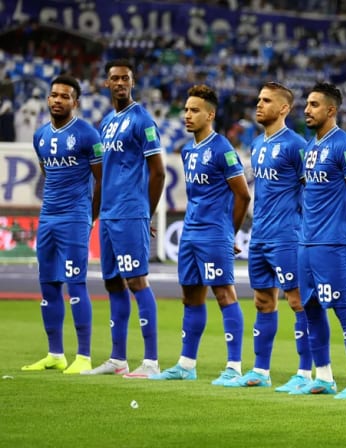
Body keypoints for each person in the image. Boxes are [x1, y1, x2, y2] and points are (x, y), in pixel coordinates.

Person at [149, 84, 251, 383]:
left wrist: (228, 233)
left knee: (224, 294)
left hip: (214, 233)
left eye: (194, 110)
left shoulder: (222, 149)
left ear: (210, 115)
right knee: (191, 296)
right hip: (190, 234)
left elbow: (243, 195)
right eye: (186, 110)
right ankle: (186, 365)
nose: (187, 115)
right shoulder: (188, 150)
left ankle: (234, 367)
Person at [227, 81, 313, 391]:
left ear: (284, 108)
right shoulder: (258, 144)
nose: (259, 105)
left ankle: (305, 373)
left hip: (287, 235)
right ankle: (260, 371)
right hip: (260, 234)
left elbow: (311, 189)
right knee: (263, 301)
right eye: (259, 99)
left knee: (298, 301)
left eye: (266, 100)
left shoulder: (297, 145)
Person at [82, 59, 166, 378]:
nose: (119, 83)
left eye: (125, 78)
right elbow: (102, 176)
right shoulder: (106, 122)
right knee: (113, 283)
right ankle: (118, 359)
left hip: (131, 212)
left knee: (137, 281)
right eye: (114, 78)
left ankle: (151, 361)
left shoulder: (142, 120)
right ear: (106, 83)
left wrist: (145, 213)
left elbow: (158, 172)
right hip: (108, 214)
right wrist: (93, 216)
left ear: (132, 83)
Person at [290, 81, 346, 399]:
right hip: (307, 241)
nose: (307, 110)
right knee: (310, 307)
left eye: (314, 105)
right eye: (307, 104)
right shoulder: (312, 146)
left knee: (342, 306)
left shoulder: (344, 145)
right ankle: (323, 376)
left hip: (333, 241)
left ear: (331, 110)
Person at [21, 75, 102, 374]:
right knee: (48, 286)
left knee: (75, 284)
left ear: (75, 102)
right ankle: (55, 354)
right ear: (48, 99)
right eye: (54, 95)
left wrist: (90, 216)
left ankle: (83, 356)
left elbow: (102, 179)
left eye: (64, 96)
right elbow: (47, 171)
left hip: (75, 218)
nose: (57, 100)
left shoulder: (87, 134)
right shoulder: (40, 136)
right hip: (48, 218)